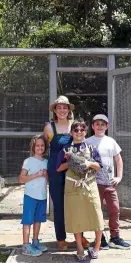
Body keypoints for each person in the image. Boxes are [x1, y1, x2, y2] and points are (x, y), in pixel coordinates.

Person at [43, 95, 89, 250]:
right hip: (55, 169)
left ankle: (80, 236)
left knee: (76, 202)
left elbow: (82, 143)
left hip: (73, 167)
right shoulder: (49, 127)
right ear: (55, 110)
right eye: (59, 107)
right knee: (59, 203)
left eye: (65, 107)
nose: (62, 110)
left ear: (69, 109)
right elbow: (43, 148)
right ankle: (61, 238)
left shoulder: (74, 125)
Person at [56, 120, 105, 261]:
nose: (79, 132)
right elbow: (58, 168)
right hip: (73, 186)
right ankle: (79, 247)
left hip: (90, 185)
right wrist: (70, 161)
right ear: (71, 133)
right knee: (76, 217)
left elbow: (99, 166)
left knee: (96, 215)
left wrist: (88, 163)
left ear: (85, 132)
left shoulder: (91, 147)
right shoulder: (66, 149)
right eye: (76, 130)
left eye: (82, 129)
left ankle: (96, 247)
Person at [86, 114, 131, 250]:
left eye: (103, 124)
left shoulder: (111, 141)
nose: (100, 127)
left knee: (114, 209)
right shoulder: (88, 142)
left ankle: (115, 237)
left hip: (110, 183)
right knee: (96, 211)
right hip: (94, 183)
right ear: (92, 126)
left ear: (107, 126)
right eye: (97, 124)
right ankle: (101, 239)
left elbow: (118, 160)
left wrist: (119, 177)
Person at [18, 135, 49, 257]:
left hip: (42, 196)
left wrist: (46, 175)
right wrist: (36, 175)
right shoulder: (28, 161)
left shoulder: (46, 162)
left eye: (42, 145)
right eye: (37, 145)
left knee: (38, 220)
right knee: (27, 220)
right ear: (33, 147)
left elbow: (49, 179)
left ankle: (35, 242)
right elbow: (21, 178)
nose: (40, 148)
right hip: (30, 196)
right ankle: (25, 245)